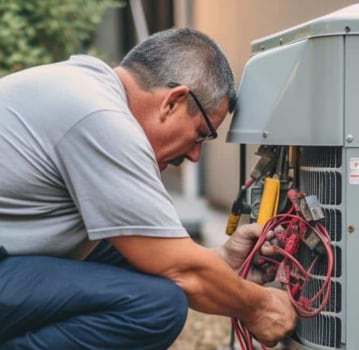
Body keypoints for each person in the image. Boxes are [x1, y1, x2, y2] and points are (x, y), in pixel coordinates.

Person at [0, 28, 297, 349]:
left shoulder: (85, 87)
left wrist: (221, 261)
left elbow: (162, 256)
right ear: (173, 102)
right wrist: (260, 306)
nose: (194, 156)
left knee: (130, 254)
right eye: (200, 134)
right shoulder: (101, 117)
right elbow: (183, 270)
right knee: (156, 306)